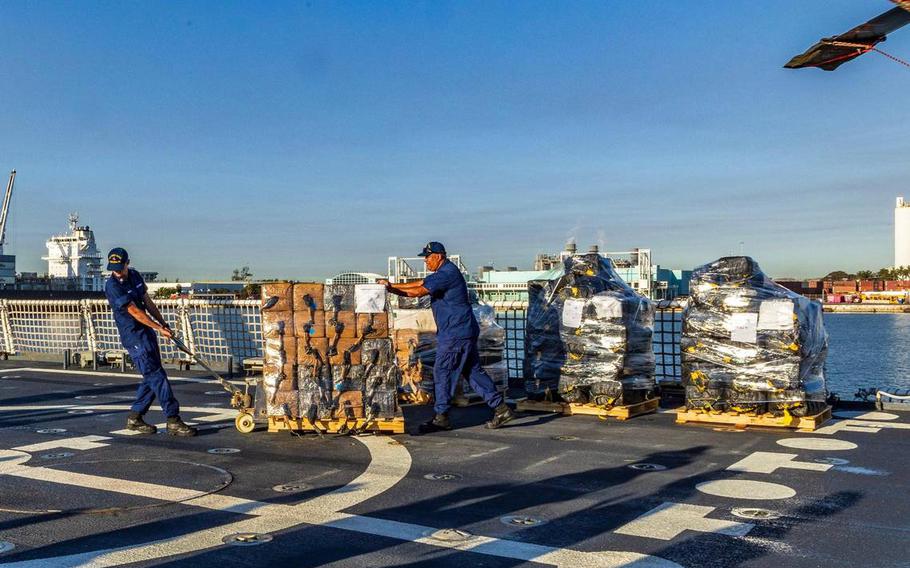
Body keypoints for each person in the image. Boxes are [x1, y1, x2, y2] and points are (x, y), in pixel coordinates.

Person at [380, 241, 515, 432]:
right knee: (473, 372)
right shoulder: (443, 273)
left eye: (427, 257)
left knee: (443, 372)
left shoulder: (447, 274)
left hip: (455, 334)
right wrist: (392, 287)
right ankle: (501, 409)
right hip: (462, 331)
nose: (425, 261)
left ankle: (441, 417)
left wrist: (391, 286)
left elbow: (418, 291)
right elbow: (419, 283)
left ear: (438, 256)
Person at [104, 247, 197, 436]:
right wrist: (158, 328)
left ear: (127, 263)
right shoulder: (112, 286)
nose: (118, 271)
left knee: (151, 376)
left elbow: (148, 303)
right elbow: (135, 312)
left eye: (120, 267)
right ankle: (173, 419)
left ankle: (135, 417)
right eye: (114, 268)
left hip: (146, 332)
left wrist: (163, 323)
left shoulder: (135, 276)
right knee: (157, 376)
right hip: (133, 336)